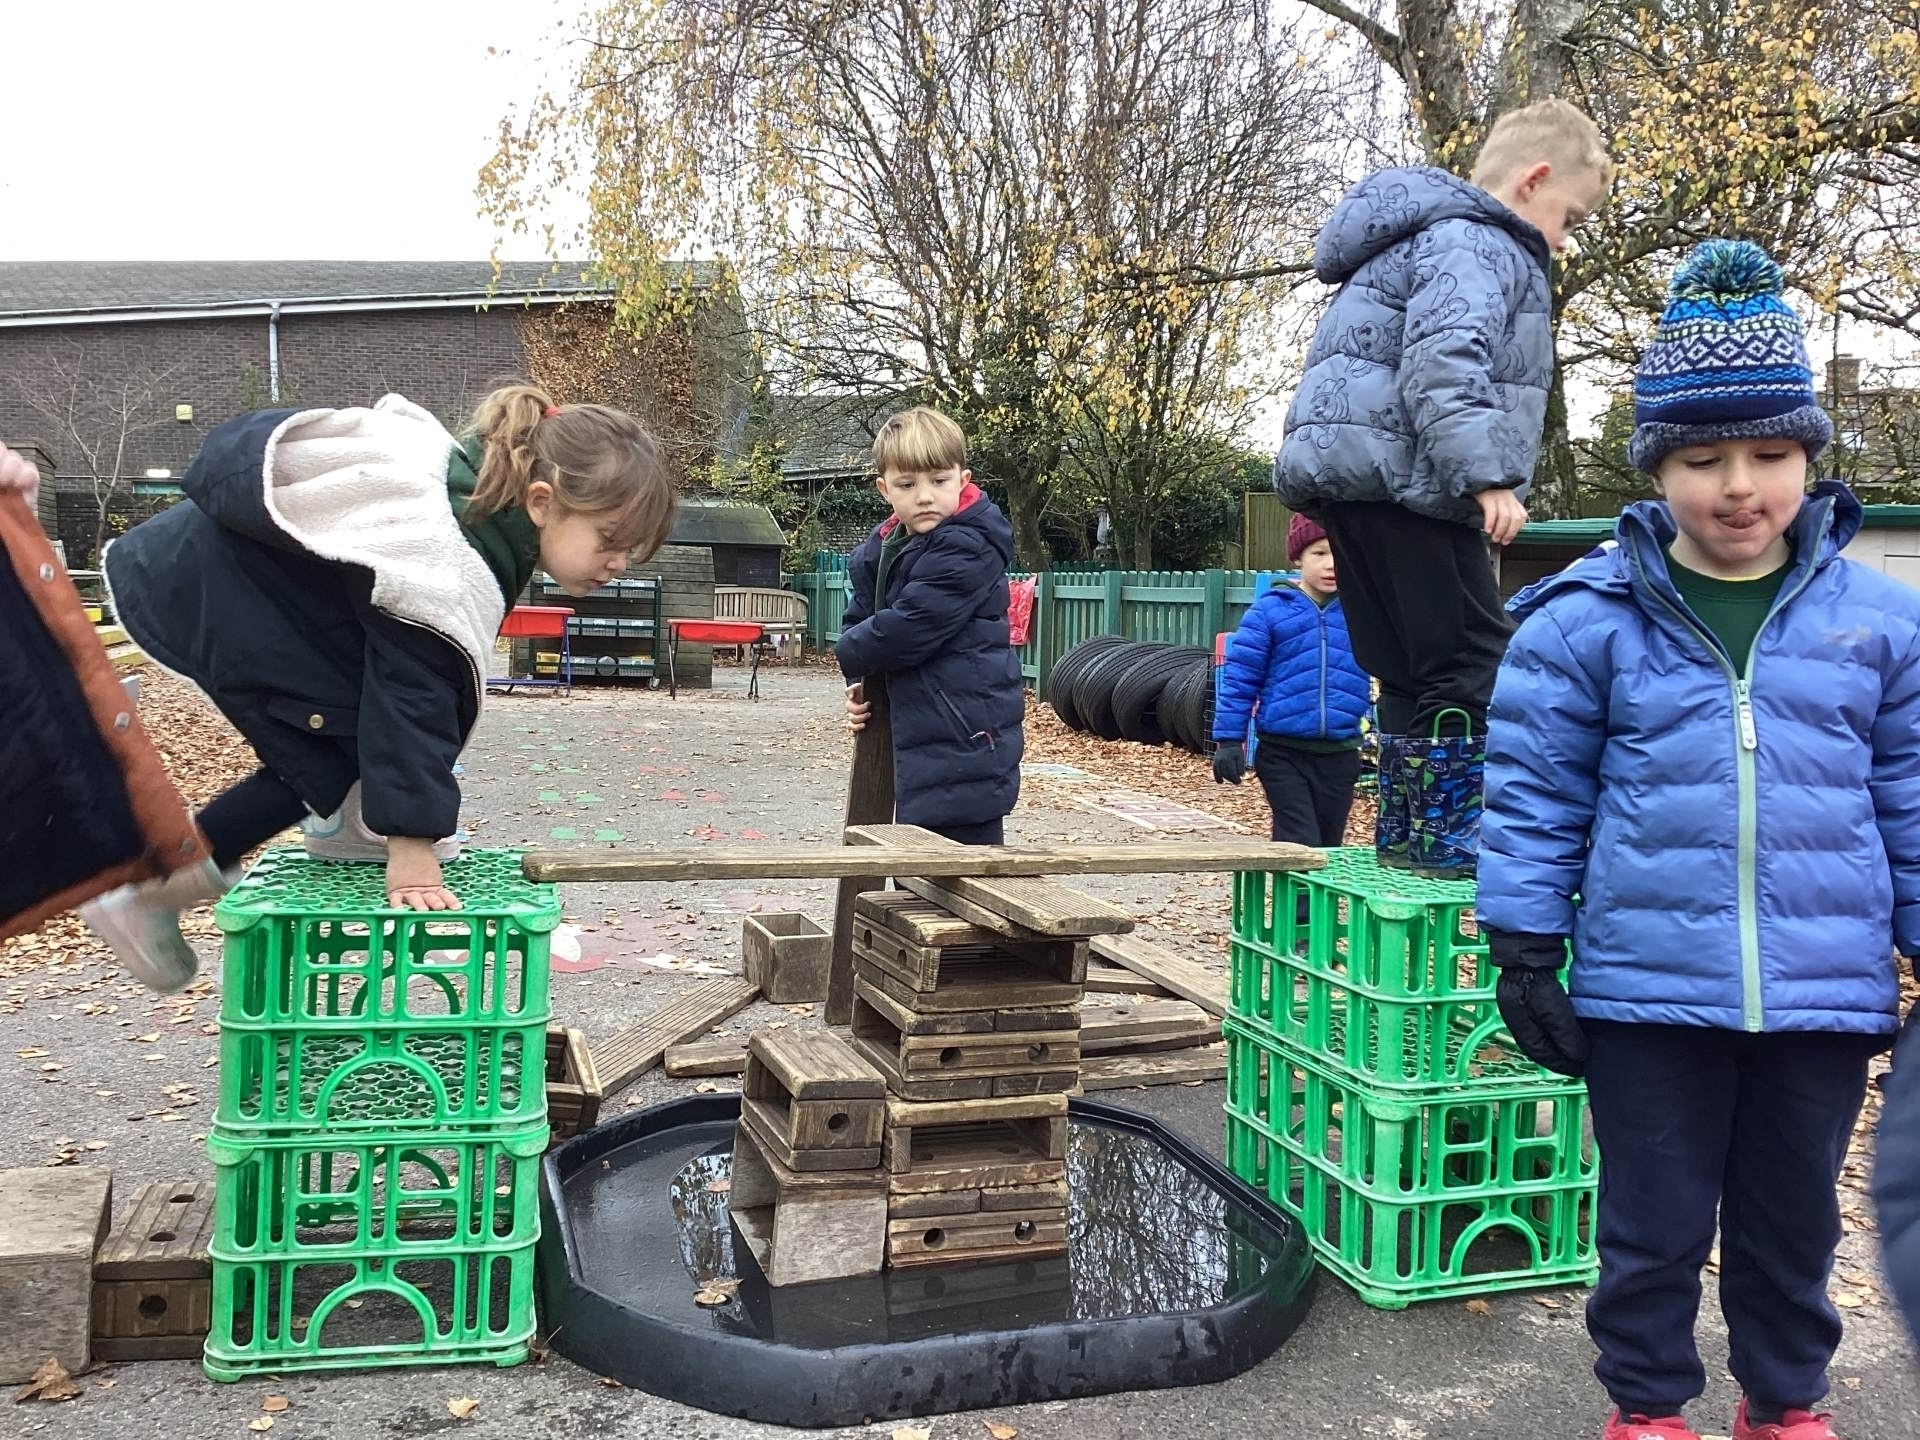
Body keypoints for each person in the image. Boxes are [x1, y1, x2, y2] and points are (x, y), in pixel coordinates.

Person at [1478, 240, 1919, 1440]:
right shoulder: (1584, 623)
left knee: (1794, 1224)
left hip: (1820, 994)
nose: (1739, 485)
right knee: (1653, 1225)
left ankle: (1784, 1402)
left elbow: (1910, 790)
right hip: (1646, 994)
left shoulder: (1882, 625)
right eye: (1702, 458)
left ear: (1810, 458)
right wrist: (1523, 944)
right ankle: (1647, 1406)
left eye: (1769, 454)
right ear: (1657, 466)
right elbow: (1534, 792)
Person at [83, 385, 677, 992]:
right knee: (319, 752)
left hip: (219, 572)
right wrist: (412, 846)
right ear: (542, 501)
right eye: (609, 540)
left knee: (338, 731)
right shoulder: (444, 561)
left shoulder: (469, 501)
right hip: (215, 588)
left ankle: (321, 831)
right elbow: (415, 701)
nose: (619, 564)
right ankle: (150, 893)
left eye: (631, 551)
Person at [1273, 97, 1611, 876]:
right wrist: (1486, 477)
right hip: (1414, 481)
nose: (1564, 240)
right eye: (1570, 218)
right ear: (1533, 181)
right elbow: (1444, 359)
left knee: (1406, 664)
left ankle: (1406, 832)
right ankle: (1449, 835)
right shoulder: (1481, 241)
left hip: (1353, 482)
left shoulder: (1415, 234)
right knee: (1473, 661)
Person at [839, 406, 1023, 844]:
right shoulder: (886, 549)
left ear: (963, 480)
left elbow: (909, 627)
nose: (925, 496)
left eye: (939, 481)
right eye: (907, 485)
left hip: (965, 736)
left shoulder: (967, 545)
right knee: (909, 859)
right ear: (884, 489)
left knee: (961, 866)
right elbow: (861, 614)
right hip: (921, 731)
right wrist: (859, 682)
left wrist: (849, 651)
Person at [1209, 512, 1369, 853]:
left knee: (1328, 848)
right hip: (1283, 753)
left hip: (1340, 753)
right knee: (1299, 842)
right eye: (1319, 553)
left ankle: (1306, 892)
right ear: (1298, 557)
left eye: (1340, 553)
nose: (1331, 564)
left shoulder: (1362, 613)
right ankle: (1293, 890)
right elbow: (1240, 677)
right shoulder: (1270, 611)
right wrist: (1229, 740)